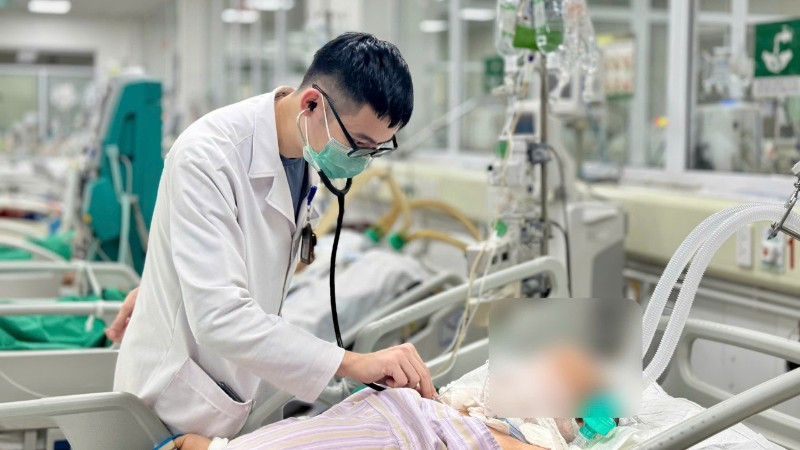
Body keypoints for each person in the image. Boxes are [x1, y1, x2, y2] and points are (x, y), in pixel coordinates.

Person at [113, 32, 434, 439]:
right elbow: (219, 317)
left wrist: (172, 281)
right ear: (311, 104)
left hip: (238, 386)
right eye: (359, 145)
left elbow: (245, 251)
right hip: (173, 403)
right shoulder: (207, 156)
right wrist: (354, 363)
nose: (362, 161)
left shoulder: (305, 148)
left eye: (376, 150)